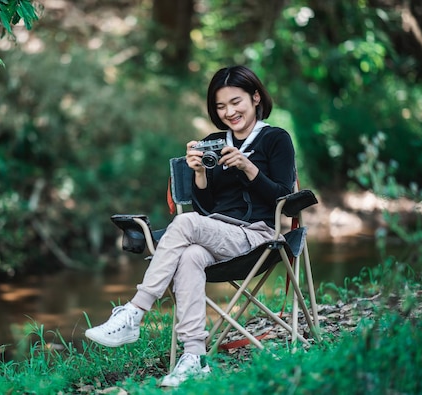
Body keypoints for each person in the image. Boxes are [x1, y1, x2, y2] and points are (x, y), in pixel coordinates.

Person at [85, 65, 296, 387]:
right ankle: (194, 356)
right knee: (189, 256)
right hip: (215, 231)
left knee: (185, 223)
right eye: (220, 106)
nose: (229, 112)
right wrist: (199, 173)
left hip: (259, 236)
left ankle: (135, 311)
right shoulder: (213, 141)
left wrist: (249, 168)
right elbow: (206, 209)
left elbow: (284, 197)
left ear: (256, 97)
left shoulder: (275, 139)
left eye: (236, 102)